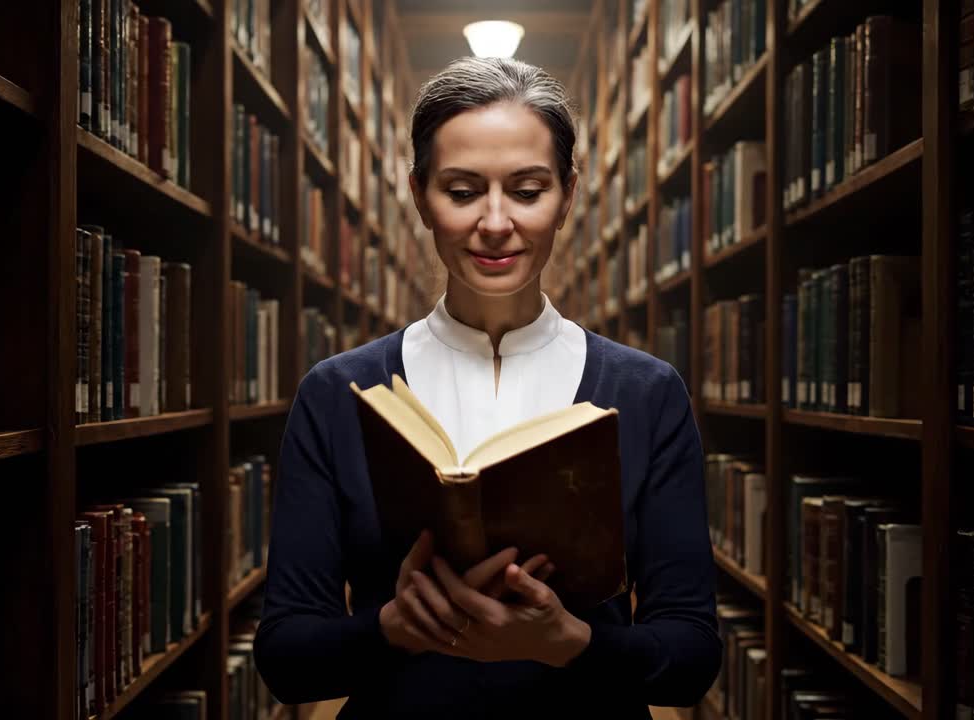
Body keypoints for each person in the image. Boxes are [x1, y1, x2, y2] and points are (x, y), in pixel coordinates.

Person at [254, 55, 721, 718]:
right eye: (463, 190)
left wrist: (570, 642)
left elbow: (691, 660)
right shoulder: (337, 394)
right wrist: (391, 627)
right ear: (419, 196)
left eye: (528, 191)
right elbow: (286, 658)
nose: (496, 222)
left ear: (568, 196)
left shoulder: (648, 393)